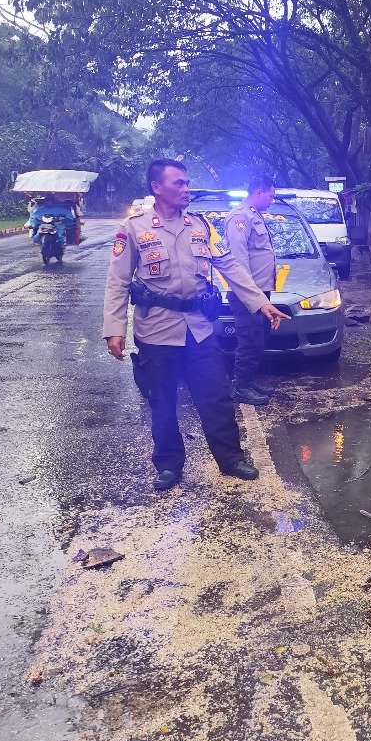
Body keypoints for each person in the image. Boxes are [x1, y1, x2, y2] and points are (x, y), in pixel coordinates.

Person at [102, 159, 289, 492]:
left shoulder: (200, 226)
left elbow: (230, 265)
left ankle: (230, 459)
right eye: (179, 184)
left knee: (216, 396)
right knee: (162, 401)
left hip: (199, 330)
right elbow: (117, 281)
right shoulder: (134, 230)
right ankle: (169, 465)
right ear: (157, 188)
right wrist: (114, 328)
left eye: (187, 183)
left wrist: (261, 303)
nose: (186, 189)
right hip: (156, 332)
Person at [225, 174, 280, 405]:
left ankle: (249, 381)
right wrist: (251, 296)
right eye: (270, 195)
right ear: (258, 191)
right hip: (247, 294)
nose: (272, 200)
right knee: (249, 341)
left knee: (258, 339)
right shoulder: (239, 217)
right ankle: (241, 388)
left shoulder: (255, 215)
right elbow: (238, 260)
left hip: (259, 293)